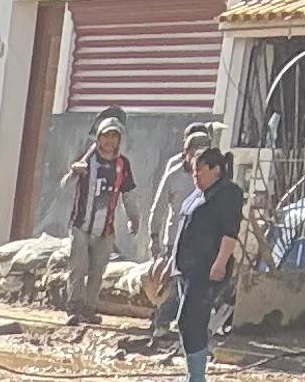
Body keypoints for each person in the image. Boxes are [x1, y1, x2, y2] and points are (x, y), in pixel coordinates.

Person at [169, 145, 243, 382]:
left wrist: (220, 263)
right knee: (189, 321)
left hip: (207, 268)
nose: (196, 175)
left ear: (216, 169)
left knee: (189, 320)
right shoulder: (198, 194)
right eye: (194, 170)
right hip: (187, 268)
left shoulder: (228, 194)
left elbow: (229, 233)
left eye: (200, 170)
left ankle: (197, 378)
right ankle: (194, 376)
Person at [140, 119, 221, 343]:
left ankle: (194, 329)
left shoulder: (216, 175)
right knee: (174, 285)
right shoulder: (174, 174)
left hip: (203, 243)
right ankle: (162, 322)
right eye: (194, 152)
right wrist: (154, 239)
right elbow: (157, 209)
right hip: (175, 241)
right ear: (185, 152)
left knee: (198, 287)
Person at [56, 114, 137, 324]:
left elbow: (128, 194)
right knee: (78, 268)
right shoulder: (87, 159)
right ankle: (74, 308)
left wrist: (133, 218)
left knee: (97, 271)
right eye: (106, 136)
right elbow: (65, 186)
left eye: (114, 136)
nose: (110, 141)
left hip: (106, 229)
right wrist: (74, 172)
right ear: (98, 138)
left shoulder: (122, 165)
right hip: (81, 225)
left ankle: (89, 309)